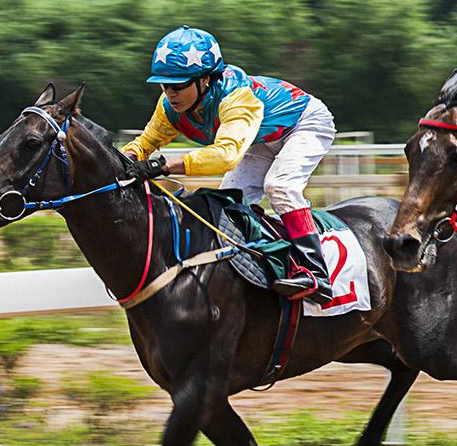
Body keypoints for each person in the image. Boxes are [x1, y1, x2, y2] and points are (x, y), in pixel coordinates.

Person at [121, 25, 336, 300]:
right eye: (164, 85)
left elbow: (226, 156)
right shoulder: (169, 107)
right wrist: (126, 158)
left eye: (178, 86)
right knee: (230, 201)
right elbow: (145, 143)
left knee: (279, 186)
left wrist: (163, 166)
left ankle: (316, 273)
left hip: (305, 123)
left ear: (205, 80)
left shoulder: (236, 97)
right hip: (261, 140)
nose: (170, 94)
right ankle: (265, 262)